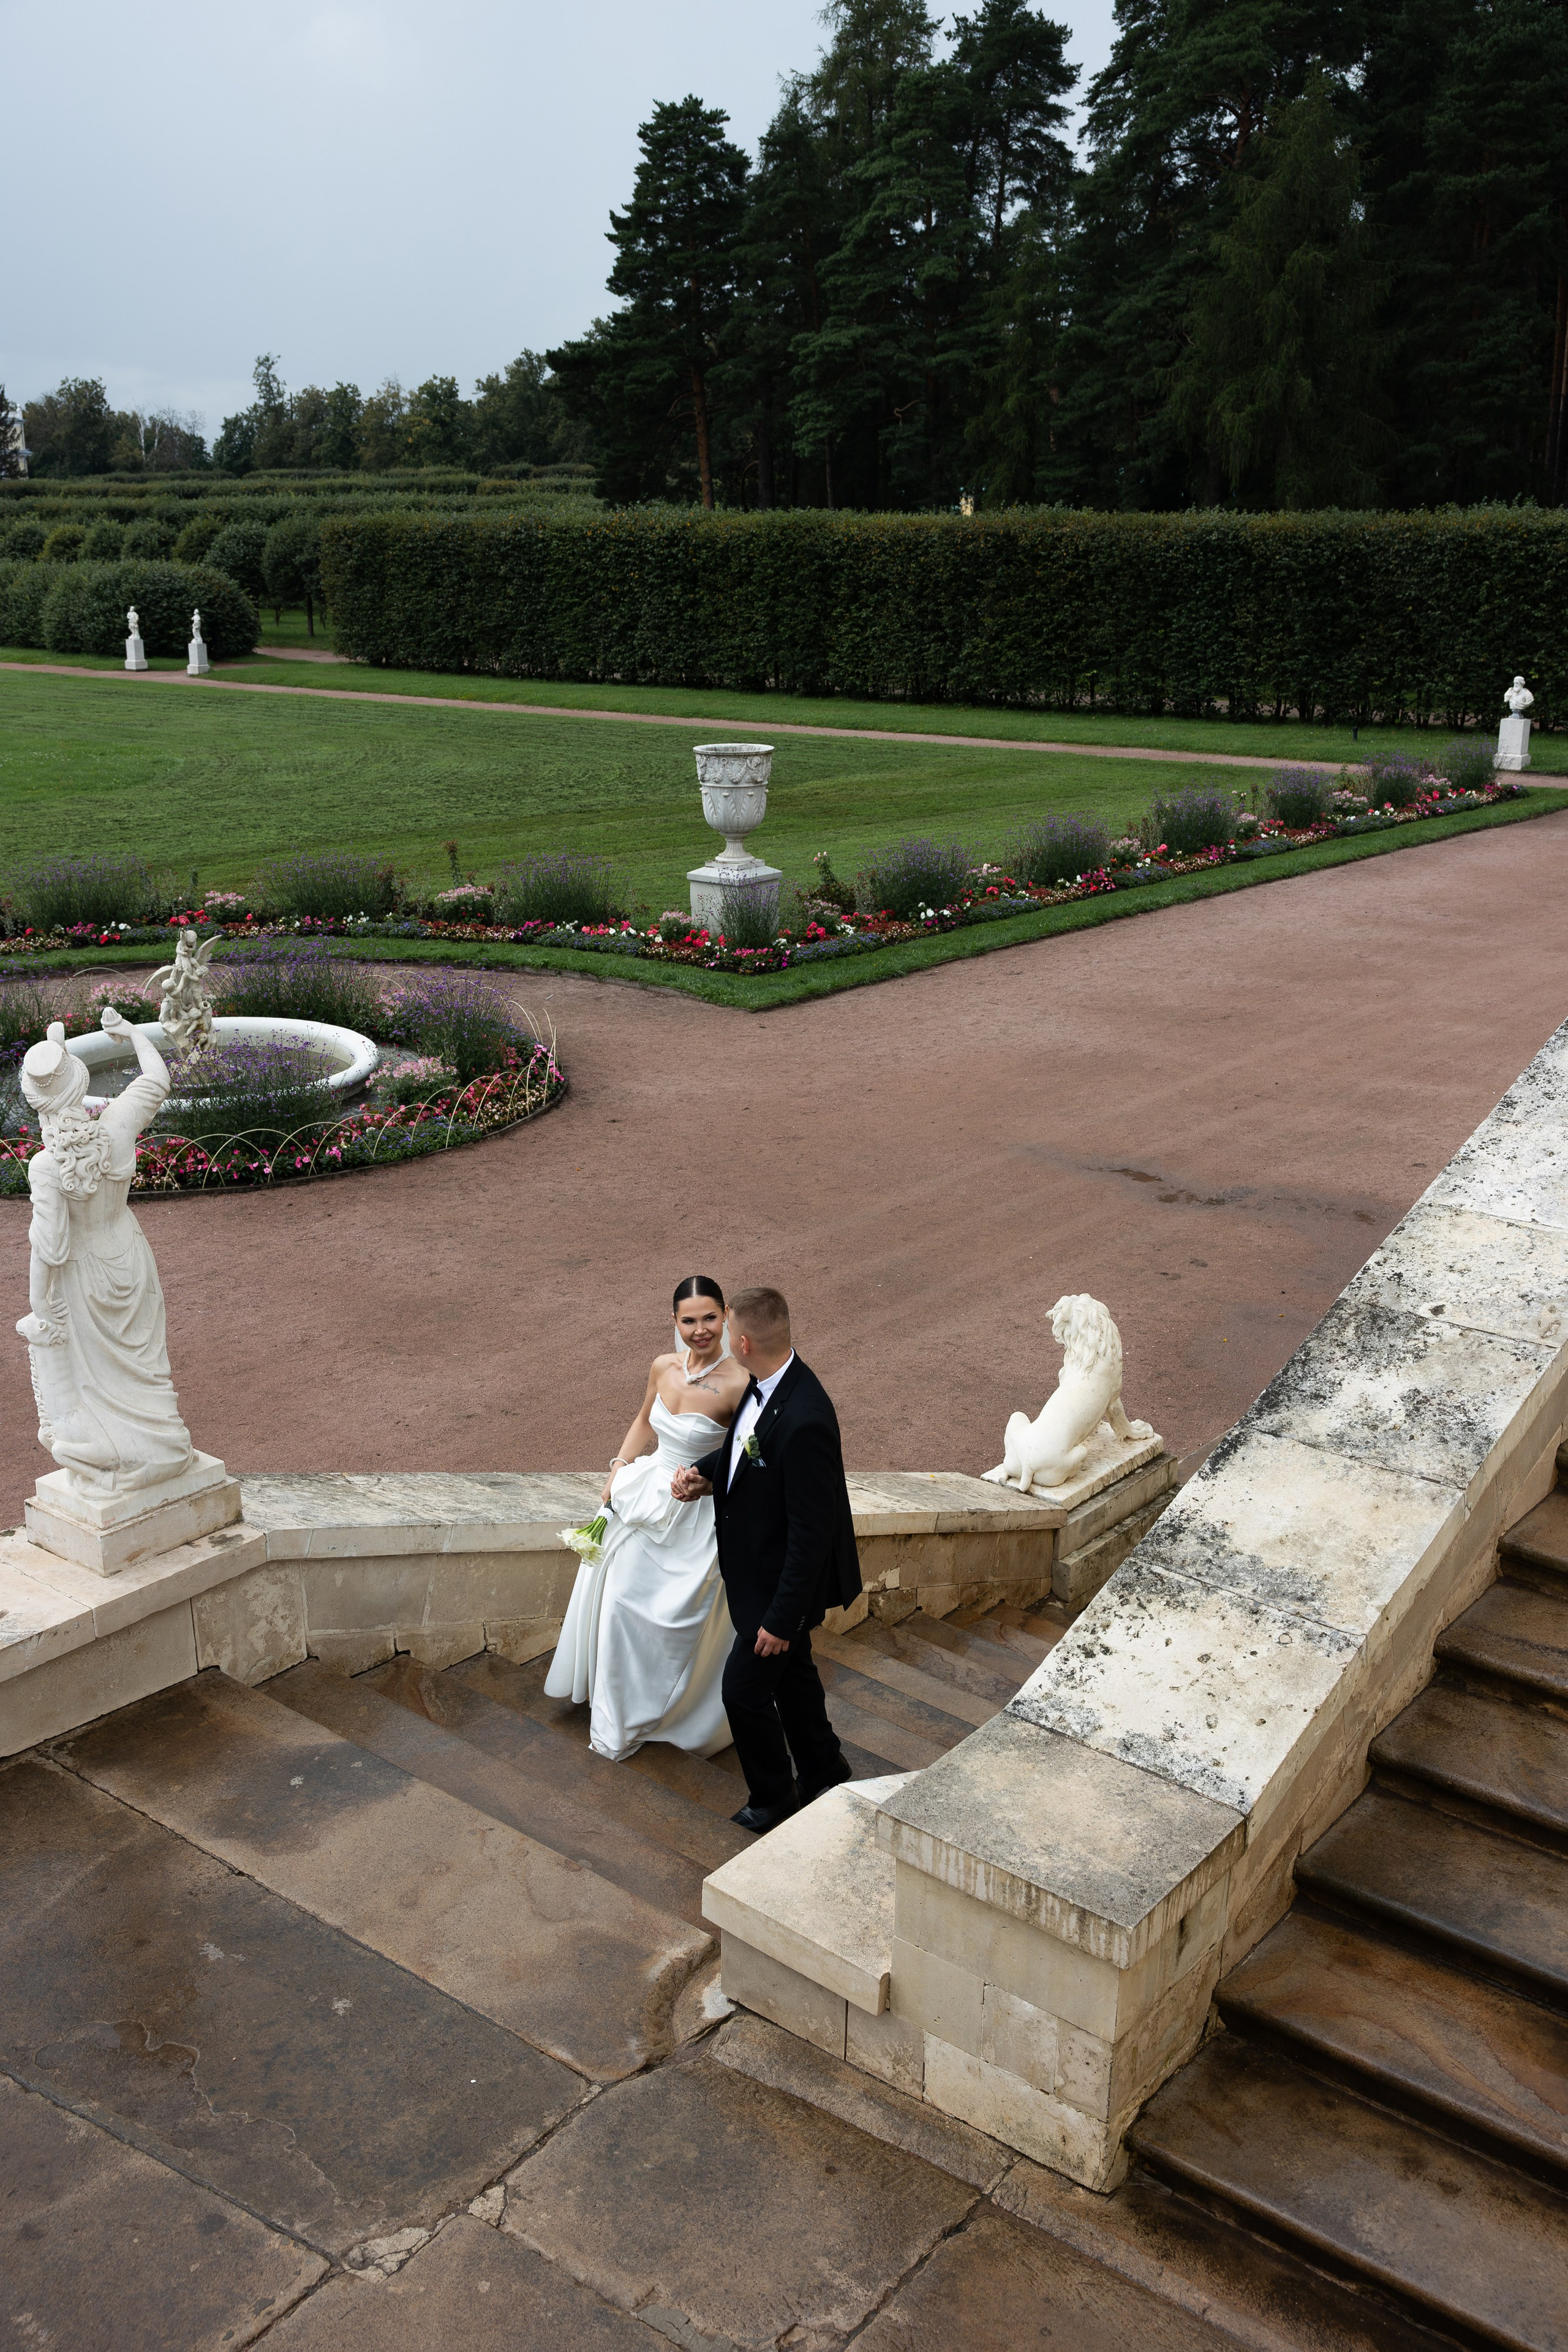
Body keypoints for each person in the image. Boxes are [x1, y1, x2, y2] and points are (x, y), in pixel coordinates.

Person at [671, 1286, 861, 1833]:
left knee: (744, 1692)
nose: (726, 1340)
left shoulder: (807, 1419)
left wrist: (782, 1619)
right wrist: (704, 1471)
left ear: (745, 1340)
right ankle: (825, 1767)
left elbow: (811, 1533)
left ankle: (774, 1796)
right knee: (792, 1678)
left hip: (781, 1590)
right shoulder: (767, 1386)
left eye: (729, 1331)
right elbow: (748, 1447)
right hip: (756, 1576)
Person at [544, 1275, 748, 1762]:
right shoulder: (663, 1367)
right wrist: (617, 1470)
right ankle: (616, 1716)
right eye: (689, 1320)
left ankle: (665, 1710)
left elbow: (748, 1461)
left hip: (695, 1519)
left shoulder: (741, 1382)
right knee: (617, 1605)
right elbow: (642, 1420)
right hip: (644, 1499)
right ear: (675, 1322)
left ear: (725, 1316)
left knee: (672, 1620)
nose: (700, 1330)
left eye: (710, 1318)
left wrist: (710, 1482)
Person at [16, 1011, 195, 1495]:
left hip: (84, 1275)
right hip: (130, 1258)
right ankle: (163, 1450)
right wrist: (133, 1034)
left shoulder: (46, 1166)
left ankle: (127, 1458)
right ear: (80, 1083)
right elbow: (157, 1078)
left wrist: (38, 1304)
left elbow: (49, 1248)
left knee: (98, 1381)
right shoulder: (117, 1126)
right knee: (145, 1370)